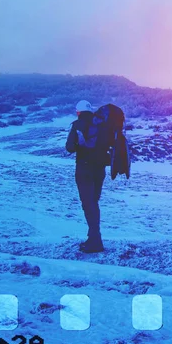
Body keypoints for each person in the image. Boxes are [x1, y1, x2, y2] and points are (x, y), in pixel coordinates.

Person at [65, 100, 107, 253]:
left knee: (88, 204)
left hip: (84, 169)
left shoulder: (78, 124)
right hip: (100, 170)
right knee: (94, 203)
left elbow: (69, 147)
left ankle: (95, 241)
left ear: (79, 112)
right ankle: (94, 238)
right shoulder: (102, 124)